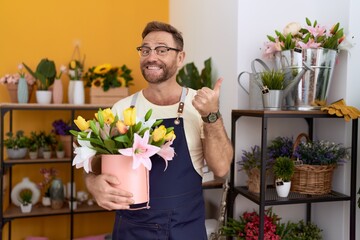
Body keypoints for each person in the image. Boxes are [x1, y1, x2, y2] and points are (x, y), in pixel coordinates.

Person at [85, 21, 233, 239]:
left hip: (185, 228)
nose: (151, 57)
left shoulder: (200, 105)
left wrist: (211, 116)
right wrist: (92, 183)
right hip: (132, 229)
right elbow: (92, 164)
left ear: (180, 58)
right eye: (145, 50)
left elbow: (220, 169)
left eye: (162, 50)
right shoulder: (121, 109)